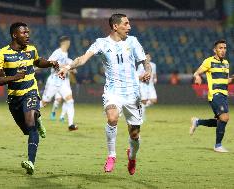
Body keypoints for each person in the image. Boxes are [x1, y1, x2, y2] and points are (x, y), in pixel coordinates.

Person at [58, 13, 151, 175]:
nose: (129, 27)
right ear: (115, 26)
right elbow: (82, 59)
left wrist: (148, 71)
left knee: (135, 134)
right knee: (112, 117)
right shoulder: (101, 43)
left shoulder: (133, 41)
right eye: (126, 24)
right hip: (113, 91)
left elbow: (145, 61)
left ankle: (132, 156)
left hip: (132, 94)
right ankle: (111, 155)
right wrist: (67, 67)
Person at [0, 22, 59, 175]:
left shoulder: (31, 49)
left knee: (30, 123)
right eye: (24, 33)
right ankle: (37, 118)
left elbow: (37, 61)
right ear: (15, 35)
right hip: (14, 99)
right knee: (28, 130)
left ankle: (30, 162)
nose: (27, 35)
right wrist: (14, 77)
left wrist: (49, 63)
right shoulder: (2, 54)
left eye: (28, 32)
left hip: (30, 92)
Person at [190, 39, 232, 153]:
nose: (223, 50)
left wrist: (232, 79)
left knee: (220, 121)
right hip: (215, 94)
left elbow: (225, 81)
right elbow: (196, 72)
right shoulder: (209, 61)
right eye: (220, 48)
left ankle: (197, 122)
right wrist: (197, 77)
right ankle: (218, 145)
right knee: (225, 117)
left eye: (224, 48)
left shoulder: (226, 63)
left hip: (223, 94)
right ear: (215, 50)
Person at [41, 36, 78, 131]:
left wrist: (69, 67)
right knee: (44, 103)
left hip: (63, 81)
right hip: (54, 81)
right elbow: (49, 62)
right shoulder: (58, 52)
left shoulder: (66, 53)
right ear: (65, 42)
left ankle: (71, 125)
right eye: (68, 42)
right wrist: (63, 66)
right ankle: (27, 112)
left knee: (70, 101)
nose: (69, 44)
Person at [137, 53, 157, 120]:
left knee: (154, 100)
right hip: (143, 85)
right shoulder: (141, 66)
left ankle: (141, 107)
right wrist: (143, 78)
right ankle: (141, 116)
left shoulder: (153, 65)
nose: (147, 58)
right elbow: (137, 76)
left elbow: (154, 73)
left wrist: (155, 78)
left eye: (148, 57)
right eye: (146, 57)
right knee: (144, 100)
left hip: (151, 85)